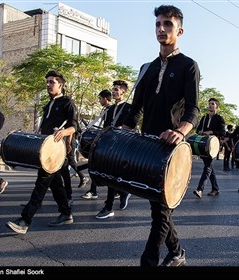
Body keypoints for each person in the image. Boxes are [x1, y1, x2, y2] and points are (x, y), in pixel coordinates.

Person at [122, 4, 199, 266]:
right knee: (159, 208)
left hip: (173, 148)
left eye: (168, 24)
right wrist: (124, 130)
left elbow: (193, 109)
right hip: (147, 146)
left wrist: (180, 131)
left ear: (180, 30)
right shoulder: (146, 68)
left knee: (161, 211)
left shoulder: (189, 65)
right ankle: (177, 252)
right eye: (158, 24)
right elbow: (136, 108)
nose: (161, 29)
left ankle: (149, 261)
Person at [6, 70, 77, 234]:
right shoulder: (49, 103)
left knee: (41, 185)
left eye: (52, 82)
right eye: (47, 82)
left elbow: (74, 126)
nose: (48, 85)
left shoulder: (68, 103)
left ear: (61, 84)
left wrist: (63, 132)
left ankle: (25, 220)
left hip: (55, 152)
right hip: (45, 150)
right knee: (56, 184)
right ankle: (66, 213)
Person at [95, 80, 132, 219]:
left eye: (117, 89)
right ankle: (123, 193)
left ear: (123, 92)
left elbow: (131, 126)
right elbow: (105, 127)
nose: (114, 91)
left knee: (112, 174)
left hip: (122, 146)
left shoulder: (129, 108)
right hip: (110, 145)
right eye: (113, 89)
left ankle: (109, 206)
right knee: (111, 174)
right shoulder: (109, 109)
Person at [81, 89, 112, 200]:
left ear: (105, 98)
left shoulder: (110, 109)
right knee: (97, 166)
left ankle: (94, 191)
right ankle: (94, 190)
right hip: (105, 140)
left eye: (100, 98)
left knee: (96, 166)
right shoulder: (106, 109)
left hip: (107, 142)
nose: (99, 101)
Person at [193, 98, 225, 198]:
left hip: (214, 146)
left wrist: (211, 132)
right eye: (209, 104)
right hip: (204, 145)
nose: (210, 105)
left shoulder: (220, 118)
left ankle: (200, 189)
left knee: (207, 167)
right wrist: (200, 132)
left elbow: (222, 132)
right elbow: (198, 130)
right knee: (209, 167)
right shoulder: (204, 118)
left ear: (217, 106)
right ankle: (215, 188)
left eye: (212, 104)